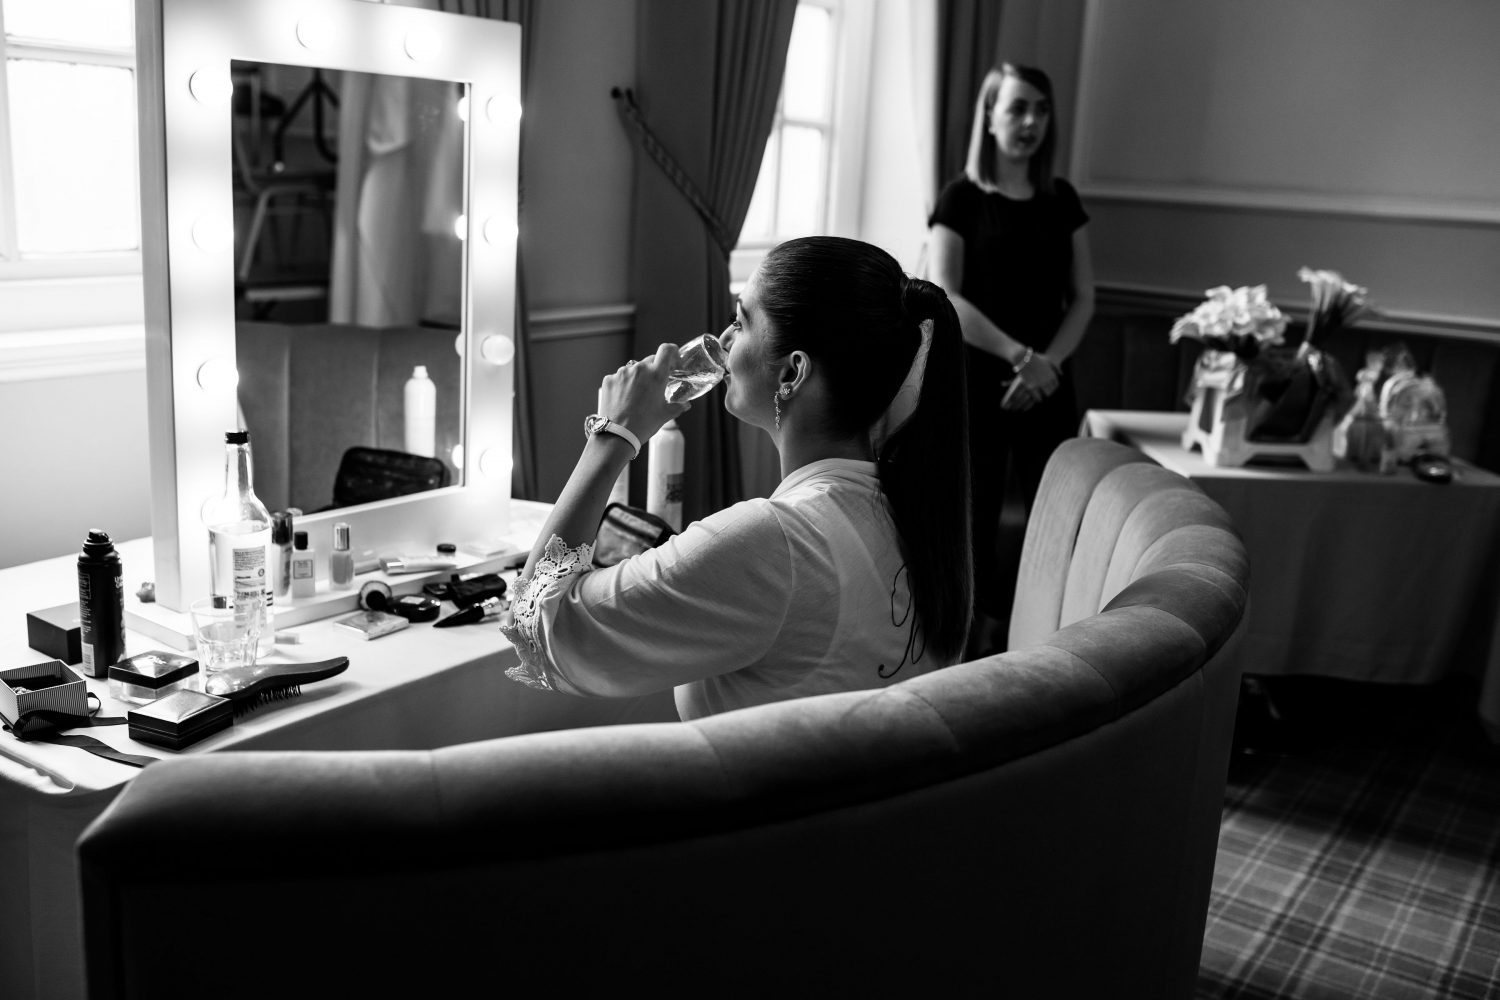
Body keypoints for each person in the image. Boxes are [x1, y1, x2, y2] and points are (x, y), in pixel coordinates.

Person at [499, 236, 972, 720]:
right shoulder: (912, 513)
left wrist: (613, 435)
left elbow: (535, 628)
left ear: (792, 373)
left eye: (741, 321)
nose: (723, 342)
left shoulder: (775, 544)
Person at [926, 63, 1095, 649]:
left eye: (1042, 110)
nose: (1031, 122)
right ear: (990, 116)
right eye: (1018, 108)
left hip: (1048, 384)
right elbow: (945, 291)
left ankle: (1029, 641)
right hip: (978, 380)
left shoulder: (1061, 199)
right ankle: (960, 644)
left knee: (1053, 520)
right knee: (973, 518)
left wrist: (1045, 366)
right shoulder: (961, 198)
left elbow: (1085, 297)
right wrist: (1019, 356)